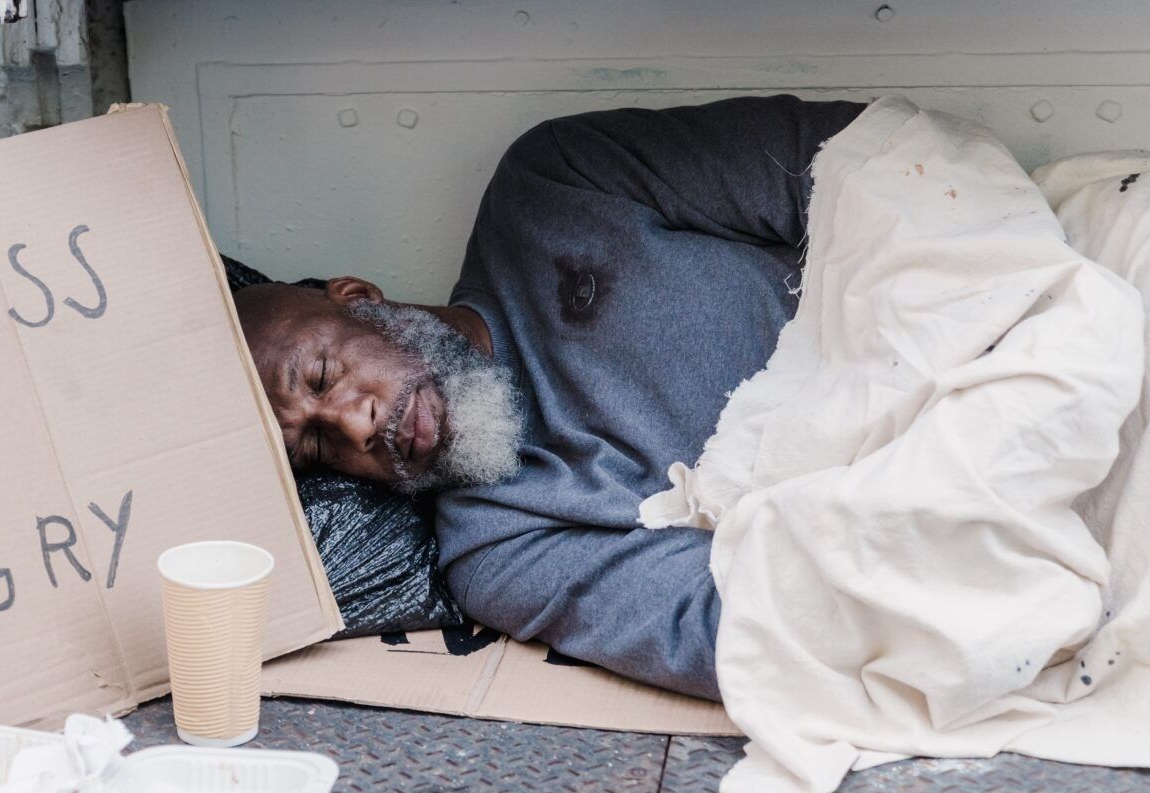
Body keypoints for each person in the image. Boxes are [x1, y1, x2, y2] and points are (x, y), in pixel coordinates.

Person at [233, 95, 865, 699]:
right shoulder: (498, 547)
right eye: (315, 446)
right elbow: (753, 630)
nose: (352, 425)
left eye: (321, 375)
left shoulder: (556, 182)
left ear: (360, 299)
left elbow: (857, 166)